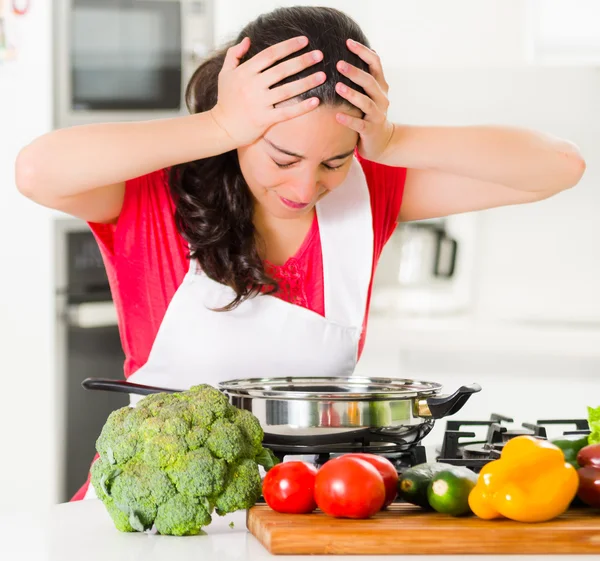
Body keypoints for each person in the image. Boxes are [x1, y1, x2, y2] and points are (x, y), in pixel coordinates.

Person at [16, 6, 585, 501]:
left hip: (307, 511)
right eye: (283, 156)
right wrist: (218, 123)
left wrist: (393, 141)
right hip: (146, 521)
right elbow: (35, 171)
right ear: (241, 128)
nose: (305, 186)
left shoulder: (370, 193)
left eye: (333, 161)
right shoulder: (152, 194)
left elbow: (559, 168)